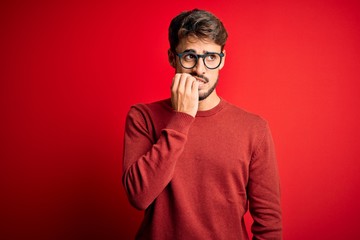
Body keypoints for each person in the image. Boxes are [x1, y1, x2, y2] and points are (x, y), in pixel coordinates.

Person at [122, 9, 282, 240]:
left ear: (222, 59)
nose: (200, 69)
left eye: (210, 57)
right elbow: (139, 196)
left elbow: (269, 223)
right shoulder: (142, 117)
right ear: (171, 58)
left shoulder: (254, 129)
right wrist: (182, 118)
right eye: (189, 56)